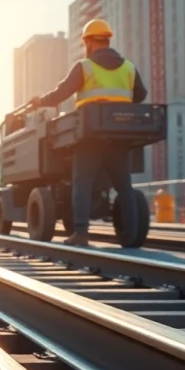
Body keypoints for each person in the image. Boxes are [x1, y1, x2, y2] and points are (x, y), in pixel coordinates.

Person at [26, 18, 148, 247]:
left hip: (90, 137)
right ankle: (130, 237)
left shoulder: (85, 67)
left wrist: (39, 101)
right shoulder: (129, 67)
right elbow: (141, 95)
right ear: (108, 39)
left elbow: (60, 94)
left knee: (82, 182)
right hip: (120, 137)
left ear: (89, 42)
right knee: (124, 185)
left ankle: (80, 233)